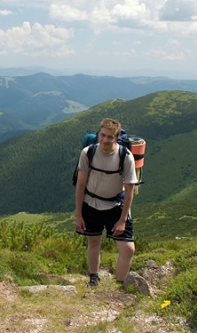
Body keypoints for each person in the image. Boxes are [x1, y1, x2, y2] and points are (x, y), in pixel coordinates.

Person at [74, 118, 138, 287]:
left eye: (110, 137)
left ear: (116, 138)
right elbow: (80, 185)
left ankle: (120, 284)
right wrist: (78, 215)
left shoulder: (126, 156)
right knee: (94, 242)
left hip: (116, 206)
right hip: (90, 203)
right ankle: (94, 278)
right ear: (98, 134)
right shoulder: (88, 152)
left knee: (128, 249)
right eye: (102, 135)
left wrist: (123, 220)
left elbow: (130, 189)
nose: (105, 140)